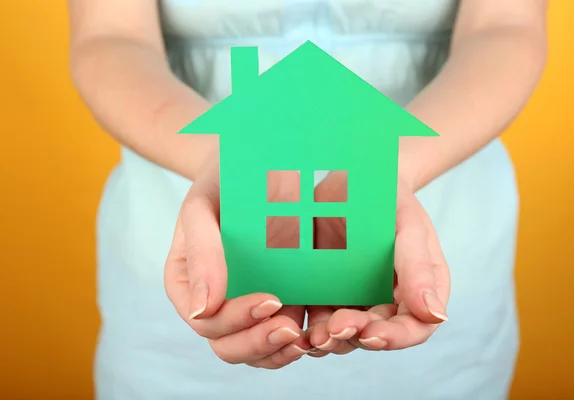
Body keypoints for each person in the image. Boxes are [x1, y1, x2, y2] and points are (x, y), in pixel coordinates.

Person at [67, 0, 548, 398]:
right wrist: (232, 165)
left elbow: (504, 26)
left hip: (432, 237)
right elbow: (110, 37)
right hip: (197, 246)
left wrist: (387, 172)